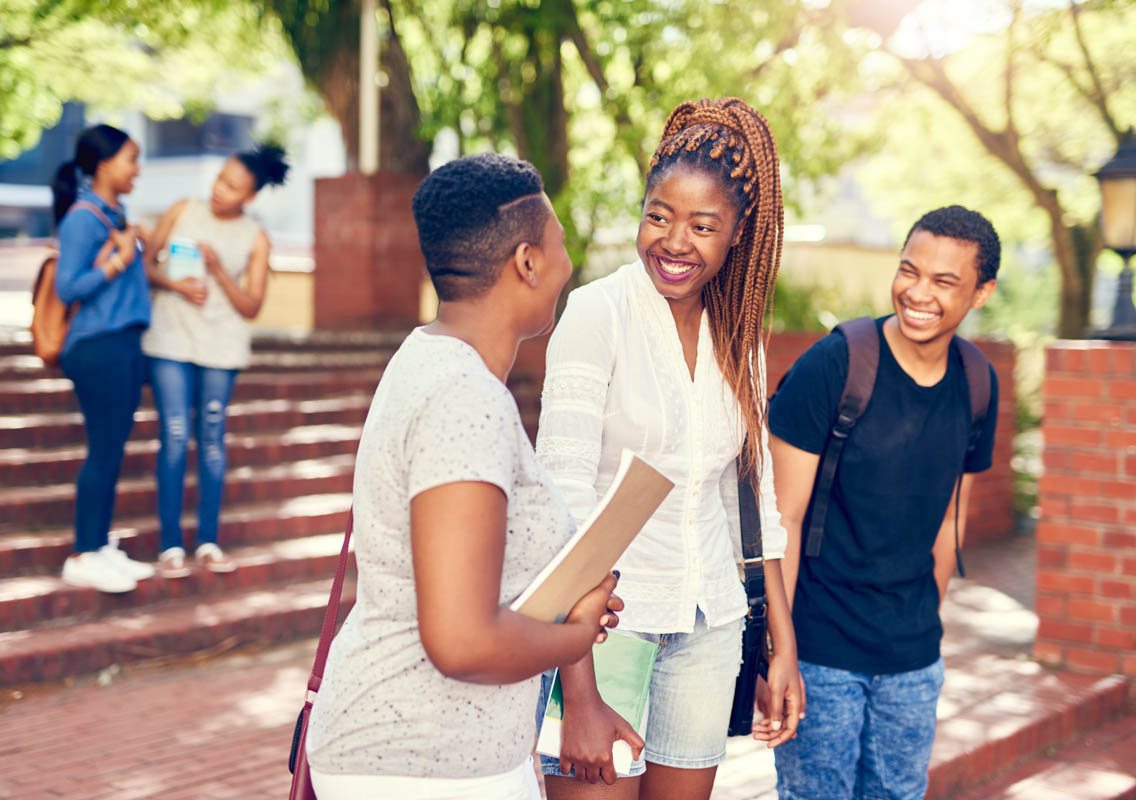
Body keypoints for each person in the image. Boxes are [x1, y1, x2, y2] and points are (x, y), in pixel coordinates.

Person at [304, 153, 625, 800]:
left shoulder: (428, 361)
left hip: (427, 752)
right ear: (528, 261)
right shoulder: (463, 398)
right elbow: (460, 641)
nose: (566, 262)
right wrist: (575, 634)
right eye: (559, 243)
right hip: (423, 761)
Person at [534, 97, 804, 800]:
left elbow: (754, 502)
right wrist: (579, 694)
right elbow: (560, 505)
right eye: (659, 215)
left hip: (710, 622)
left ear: (739, 233)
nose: (674, 241)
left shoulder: (740, 339)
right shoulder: (598, 314)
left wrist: (782, 643)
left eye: (702, 225)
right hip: (605, 630)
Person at [768, 205, 1001, 800]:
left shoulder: (977, 382)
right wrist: (781, 650)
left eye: (944, 282)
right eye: (909, 270)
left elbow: (951, 516)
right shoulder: (837, 364)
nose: (917, 292)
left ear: (981, 293)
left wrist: (927, 619)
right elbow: (781, 521)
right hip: (821, 648)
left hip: (913, 657)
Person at [139, 144, 288, 577]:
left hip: (221, 346)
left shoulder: (255, 236)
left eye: (233, 186)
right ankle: (170, 545)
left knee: (210, 438)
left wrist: (220, 270)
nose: (219, 190)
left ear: (251, 197)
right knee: (175, 432)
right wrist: (176, 285)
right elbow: (145, 266)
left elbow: (252, 305)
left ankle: (207, 541)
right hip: (170, 339)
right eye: (220, 178)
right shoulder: (183, 209)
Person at [52, 124, 156, 594]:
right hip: (98, 345)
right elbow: (67, 286)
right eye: (130, 159)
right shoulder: (83, 218)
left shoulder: (116, 216)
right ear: (103, 163)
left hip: (124, 342)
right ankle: (82, 553)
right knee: (103, 449)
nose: (137, 169)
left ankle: (99, 545)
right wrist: (115, 261)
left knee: (112, 450)